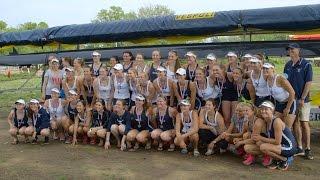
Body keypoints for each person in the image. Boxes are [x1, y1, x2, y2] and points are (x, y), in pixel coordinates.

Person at [284, 43, 313, 159]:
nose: (290, 50)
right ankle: (300, 148)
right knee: (295, 123)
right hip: (292, 100)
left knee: (304, 123)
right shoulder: (287, 64)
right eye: (289, 49)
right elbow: (285, 82)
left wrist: (302, 98)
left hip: (303, 100)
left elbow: (308, 82)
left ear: (298, 50)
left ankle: (308, 149)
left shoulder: (306, 64)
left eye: (292, 49)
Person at [254, 101, 297, 170]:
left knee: (263, 146)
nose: (263, 111)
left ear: (272, 110)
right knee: (260, 144)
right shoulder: (267, 121)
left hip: (289, 147)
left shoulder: (276, 121)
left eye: (266, 109)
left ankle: (284, 159)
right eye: (262, 109)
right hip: (281, 146)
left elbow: (277, 142)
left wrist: (260, 138)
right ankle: (276, 159)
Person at [263, 62, 296, 128]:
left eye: (267, 68)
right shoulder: (266, 78)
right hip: (279, 103)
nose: (264, 70)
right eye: (263, 68)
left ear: (272, 69)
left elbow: (292, 93)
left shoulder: (280, 79)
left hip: (289, 103)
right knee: (274, 125)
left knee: (286, 128)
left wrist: (287, 108)